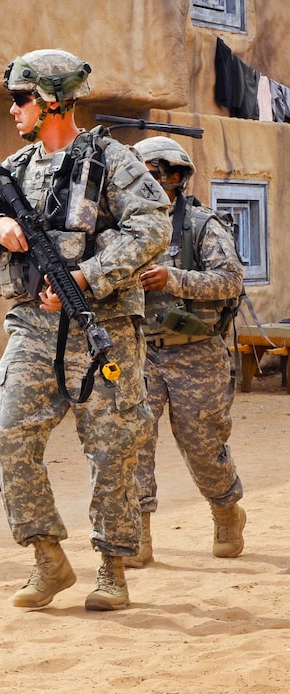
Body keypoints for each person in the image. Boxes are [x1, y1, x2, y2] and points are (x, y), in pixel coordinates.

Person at [0, 49, 171, 611]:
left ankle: (113, 567)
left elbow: (152, 227)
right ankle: (48, 557)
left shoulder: (111, 161)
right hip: (31, 326)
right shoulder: (16, 169)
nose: (12, 109)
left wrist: (88, 276)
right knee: (7, 431)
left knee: (114, 447)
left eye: (21, 98)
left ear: (52, 101)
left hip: (102, 326)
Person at [126, 136, 246, 568]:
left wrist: (172, 278)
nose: (145, 182)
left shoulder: (200, 225)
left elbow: (230, 281)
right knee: (132, 442)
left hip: (196, 354)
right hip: (139, 352)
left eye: (153, 174)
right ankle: (136, 533)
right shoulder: (122, 227)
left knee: (202, 446)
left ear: (175, 177)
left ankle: (226, 509)